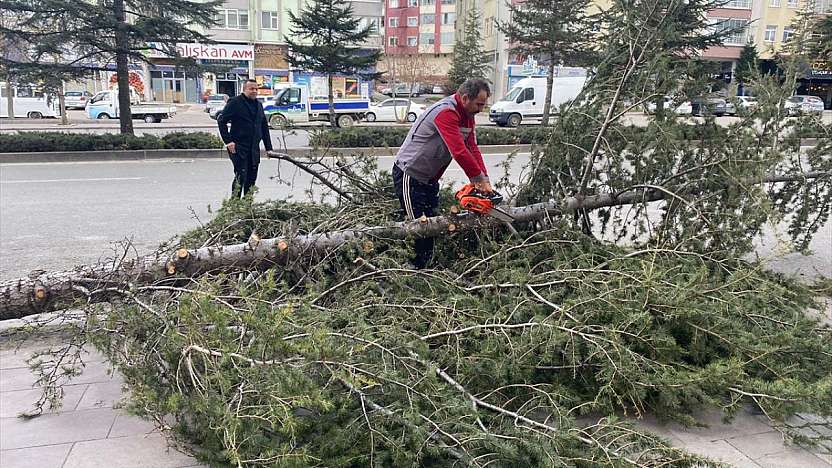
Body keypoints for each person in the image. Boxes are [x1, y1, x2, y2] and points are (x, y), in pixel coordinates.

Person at [392, 78, 492, 269]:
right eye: (479, 104)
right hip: (410, 174)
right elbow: (459, 151)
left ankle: (427, 265)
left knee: (432, 223)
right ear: (465, 98)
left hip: (430, 179)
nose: (481, 109)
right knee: (419, 226)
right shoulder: (446, 112)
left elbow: (472, 147)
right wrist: (477, 180)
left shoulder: (468, 116)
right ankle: (414, 270)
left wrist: (485, 180)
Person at [217, 79, 274, 198]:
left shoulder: (258, 105)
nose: (254, 91)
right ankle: (235, 205)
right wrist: (228, 141)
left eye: (256, 89)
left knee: (252, 179)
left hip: (254, 149)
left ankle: (247, 205)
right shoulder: (235, 102)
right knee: (241, 176)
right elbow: (221, 121)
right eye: (251, 89)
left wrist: (269, 148)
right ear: (244, 89)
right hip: (238, 147)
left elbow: (264, 127)